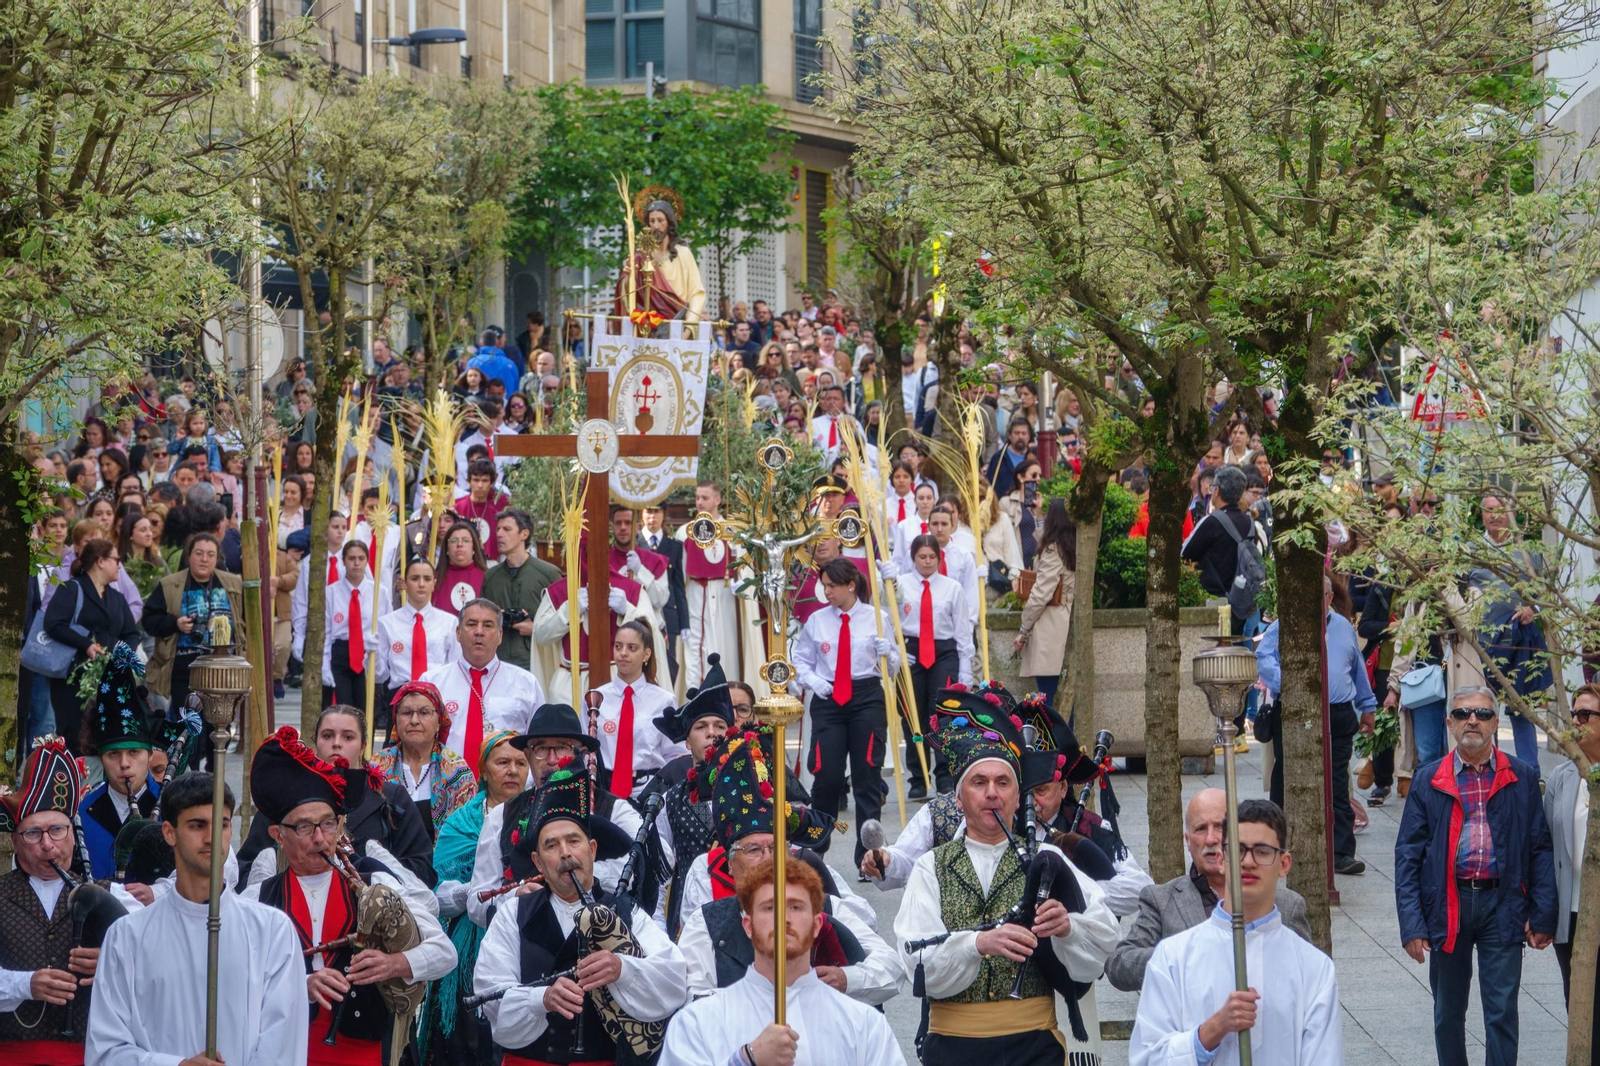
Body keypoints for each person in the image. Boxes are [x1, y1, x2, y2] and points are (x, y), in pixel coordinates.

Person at [896, 713, 1119, 1065]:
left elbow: (1106, 937)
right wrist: (976, 944)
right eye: (979, 782)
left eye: (1003, 783)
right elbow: (914, 958)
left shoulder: (1047, 857)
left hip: (1034, 1045)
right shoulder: (931, 867)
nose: (991, 793)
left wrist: (1068, 927)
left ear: (1018, 799)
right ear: (957, 799)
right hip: (953, 1047)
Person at [239, 728, 455, 1066]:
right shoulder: (257, 899)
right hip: (284, 1053)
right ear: (277, 835)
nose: (319, 838)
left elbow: (444, 952)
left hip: (363, 1054)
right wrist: (299, 984)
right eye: (304, 828)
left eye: (327, 824)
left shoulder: (374, 883)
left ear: (340, 825)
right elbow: (232, 980)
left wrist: (392, 964)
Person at [472, 758, 688, 1062]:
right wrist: (541, 999)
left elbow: (674, 979)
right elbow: (490, 993)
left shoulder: (625, 911)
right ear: (537, 862)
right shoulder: (514, 915)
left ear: (593, 850)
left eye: (574, 840)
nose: (565, 853)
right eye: (551, 845)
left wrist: (622, 969)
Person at [87, 772, 306, 1066]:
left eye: (223, 825)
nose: (211, 837)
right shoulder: (127, 937)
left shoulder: (271, 932)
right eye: (197, 825)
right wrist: (175, 1065)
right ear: (169, 832)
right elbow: (106, 1050)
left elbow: (283, 1046)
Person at [674, 729, 902, 1006]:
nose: (768, 859)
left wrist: (848, 979)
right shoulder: (707, 923)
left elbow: (892, 968)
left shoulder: (828, 908)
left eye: (776, 848)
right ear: (731, 864)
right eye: (754, 850)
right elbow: (692, 995)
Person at [1395, 685, 1557, 1066]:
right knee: (1447, 1012)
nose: (1473, 720)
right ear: (1450, 723)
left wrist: (1543, 913)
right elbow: (1407, 856)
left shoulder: (1522, 775)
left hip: (1503, 904)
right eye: (1464, 714)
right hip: (1448, 905)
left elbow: (1539, 848)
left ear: (1495, 723)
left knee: (1502, 1012)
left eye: (1482, 714)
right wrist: (1412, 924)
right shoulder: (1429, 778)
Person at [1129, 799, 1342, 1065]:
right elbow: (1147, 1057)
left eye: (1263, 851)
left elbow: (1324, 1058)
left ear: (1284, 863)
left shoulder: (1314, 969)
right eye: (1238, 850)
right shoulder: (1173, 957)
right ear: (1220, 858)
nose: (1248, 862)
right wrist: (1211, 1031)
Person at [662, 857, 907, 1066]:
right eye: (769, 907)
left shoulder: (864, 1024)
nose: (783, 918)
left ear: (817, 924)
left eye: (795, 907)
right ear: (748, 926)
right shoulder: (697, 1022)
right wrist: (747, 1059)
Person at [1106, 788, 1312, 991]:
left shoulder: (1287, 905)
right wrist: (1181, 958)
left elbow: (1307, 979)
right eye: (1201, 829)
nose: (1211, 839)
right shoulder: (1161, 900)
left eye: (1220, 827)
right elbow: (1119, 965)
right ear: (1188, 841)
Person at [0, 737, 126, 1066]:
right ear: (15, 840)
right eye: (33, 833)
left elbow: (155, 968)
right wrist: (24, 983)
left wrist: (114, 963)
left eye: (57, 830)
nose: (47, 845)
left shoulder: (112, 895)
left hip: (92, 1056)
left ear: (73, 833)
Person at [238, 705, 439, 890]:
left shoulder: (391, 797)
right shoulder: (286, 797)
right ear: (315, 741)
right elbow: (244, 869)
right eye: (327, 736)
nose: (336, 744)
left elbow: (423, 870)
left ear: (363, 746)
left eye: (348, 737)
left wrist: (367, 866)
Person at [1256, 574, 1375, 874]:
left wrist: (1367, 706)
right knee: (1285, 776)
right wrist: (1289, 683)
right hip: (1295, 709)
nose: (1314, 601)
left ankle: (1341, 852)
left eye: (1320, 594)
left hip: (1337, 712)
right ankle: (1277, 845)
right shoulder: (1286, 624)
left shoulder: (1344, 627)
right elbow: (1263, 656)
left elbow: (1357, 668)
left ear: (1330, 597)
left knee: (1337, 782)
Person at [423, 730, 527, 1066]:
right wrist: (477, 893)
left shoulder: (541, 819)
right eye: (502, 762)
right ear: (483, 770)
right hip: (468, 941)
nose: (512, 770)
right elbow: (437, 894)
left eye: (520, 763)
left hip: (524, 940)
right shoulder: (461, 824)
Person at [792, 558, 899, 865]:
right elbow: (801, 662)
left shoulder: (877, 617)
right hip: (829, 699)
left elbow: (892, 669)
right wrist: (814, 682)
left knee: (867, 779)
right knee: (826, 777)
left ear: (851, 585)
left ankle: (868, 855)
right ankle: (815, 853)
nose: (826, 591)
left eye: (832, 586)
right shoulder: (817, 620)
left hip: (866, 696)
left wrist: (887, 652)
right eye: (824, 585)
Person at [647, 655, 736, 937]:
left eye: (719, 726)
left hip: (746, 917)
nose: (711, 733)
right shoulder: (671, 801)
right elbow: (658, 877)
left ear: (731, 734)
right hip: (688, 923)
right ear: (687, 741)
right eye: (701, 727)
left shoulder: (756, 792)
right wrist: (660, 934)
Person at [420, 599, 545, 778]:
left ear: (500, 635)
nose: (479, 632)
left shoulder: (526, 683)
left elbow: (539, 743)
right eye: (471, 624)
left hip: (509, 792)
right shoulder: (432, 683)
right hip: (445, 789)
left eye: (488, 625)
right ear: (458, 633)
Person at [42, 538, 141, 745]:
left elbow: (131, 633)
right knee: (76, 737)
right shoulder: (72, 588)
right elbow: (53, 623)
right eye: (116, 559)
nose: (119, 565)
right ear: (101, 561)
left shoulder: (116, 597)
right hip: (74, 678)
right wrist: (85, 644)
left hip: (110, 679)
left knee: (107, 737)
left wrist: (123, 655)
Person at [895, 533, 973, 797]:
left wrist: (965, 667)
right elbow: (885, 618)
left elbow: (962, 629)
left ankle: (945, 775)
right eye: (922, 557)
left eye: (932, 557)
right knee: (912, 715)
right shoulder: (900, 585)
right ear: (913, 558)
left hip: (942, 652)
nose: (927, 562)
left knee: (941, 715)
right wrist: (896, 650)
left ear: (939, 559)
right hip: (911, 651)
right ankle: (918, 777)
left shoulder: (952, 587)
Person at [76, 645, 163, 882]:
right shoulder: (83, 813)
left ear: (150, 754)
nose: (124, 764)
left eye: (134, 752)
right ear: (101, 758)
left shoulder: (171, 809)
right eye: (113, 755)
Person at [143, 532, 243, 727]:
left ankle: (216, 759)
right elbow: (149, 620)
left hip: (223, 669)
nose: (204, 559)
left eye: (210, 554)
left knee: (219, 729)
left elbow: (246, 621)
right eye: (199, 553)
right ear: (189, 556)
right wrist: (175, 623)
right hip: (184, 669)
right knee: (189, 728)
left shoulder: (233, 584)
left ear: (217, 558)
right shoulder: (170, 585)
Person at [677, 480, 763, 691]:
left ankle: (729, 692)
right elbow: (679, 570)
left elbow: (745, 566)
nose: (700, 502)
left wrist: (742, 583)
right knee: (696, 646)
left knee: (726, 643)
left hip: (726, 593)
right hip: (696, 592)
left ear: (717, 500)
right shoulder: (685, 532)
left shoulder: (732, 531)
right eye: (697, 498)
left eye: (705, 498)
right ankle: (695, 695)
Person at [370, 681, 477, 841]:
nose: (414, 720)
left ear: (439, 722)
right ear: (396, 720)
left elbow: (467, 835)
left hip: (441, 863)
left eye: (424, 713)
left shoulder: (457, 772)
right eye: (406, 713)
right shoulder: (376, 767)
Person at [589, 619, 684, 799]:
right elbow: (585, 751)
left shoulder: (664, 701)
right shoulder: (596, 698)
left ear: (646, 654)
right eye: (618, 646)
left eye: (632, 648)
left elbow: (676, 754)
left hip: (649, 790)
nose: (623, 653)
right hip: (604, 792)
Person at [479, 509, 563, 673]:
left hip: (537, 662)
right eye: (498, 529)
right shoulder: (491, 577)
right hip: (499, 663)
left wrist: (536, 629)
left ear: (524, 534)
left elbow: (564, 619)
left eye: (507, 529)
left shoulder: (548, 574)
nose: (499, 534)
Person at [1014, 498, 1076, 705]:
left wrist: (1024, 628)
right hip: (1068, 618)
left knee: (1050, 697)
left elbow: (1041, 593)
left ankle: (1055, 739)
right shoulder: (1075, 546)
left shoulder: (1053, 550)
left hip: (1052, 623)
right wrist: (1039, 517)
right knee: (1065, 698)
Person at [1180, 464, 1255, 635]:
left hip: (1213, 600)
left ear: (1217, 491)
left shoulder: (1212, 522)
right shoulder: (1250, 523)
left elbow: (1184, 556)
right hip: (1240, 601)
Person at [375, 558, 461, 704]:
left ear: (433, 584)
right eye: (415, 578)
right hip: (400, 695)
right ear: (405, 583)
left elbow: (456, 666)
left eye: (427, 579)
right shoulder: (387, 623)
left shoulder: (449, 622)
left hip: (436, 693)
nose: (421, 584)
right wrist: (372, 655)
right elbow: (379, 675)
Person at [320, 539, 376, 708]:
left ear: (367, 560)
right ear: (343, 560)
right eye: (351, 558)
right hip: (341, 653)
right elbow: (327, 632)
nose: (356, 563)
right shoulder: (331, 592)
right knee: (344, 708)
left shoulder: (379, 592)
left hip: (368, 653)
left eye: (361, 558)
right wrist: (324, 665)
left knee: (365, 708)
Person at [455, 458, 511, 561]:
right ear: (468, 482)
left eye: (485, 480)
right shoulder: (457, 508)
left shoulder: (502, 508)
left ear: (492, 483)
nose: (480, 485)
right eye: (476, 480)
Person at [433, 520, 490, 615]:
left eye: (465, 540)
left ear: (474, 548)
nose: (459, 544)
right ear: (447, 548)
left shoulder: (489, 578)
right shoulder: (433, 580)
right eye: (454, 541)